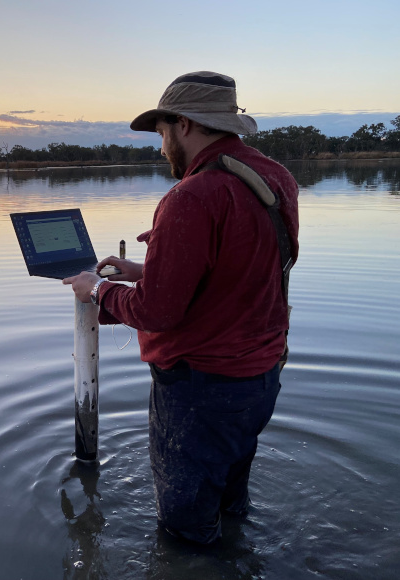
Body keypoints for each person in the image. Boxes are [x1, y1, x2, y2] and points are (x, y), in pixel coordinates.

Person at [63, 71, 299, 544]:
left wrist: (97, 290)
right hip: (260, 378)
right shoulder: (273, 177)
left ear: (184, 125)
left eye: (162, 131)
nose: (161, 144)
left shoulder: (191, 197)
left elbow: (157, 313)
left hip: (201, 390)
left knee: (184, 531)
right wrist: (143, 270)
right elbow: (237, 272)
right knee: (230, 506)